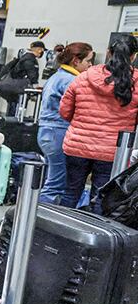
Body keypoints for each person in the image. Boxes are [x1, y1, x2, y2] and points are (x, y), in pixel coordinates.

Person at [59, 36, 138, 213]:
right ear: (133, 56)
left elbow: (64, 111)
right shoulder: (136, 82)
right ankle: (94, 237)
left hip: (77, 145)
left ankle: (58, 235)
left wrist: (82, 123)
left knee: (70, 193)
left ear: (109, 53)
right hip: (112, 151)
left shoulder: (84, 77)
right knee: (100, 197)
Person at [36, 42, 94, 204]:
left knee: (52, 179)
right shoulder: (72, 80)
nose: (90, 65)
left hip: (46, 132)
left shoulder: (56, 76)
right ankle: (40, 220)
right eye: (88, 61)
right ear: (76, 61)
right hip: (59, 133)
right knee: (56, 184)